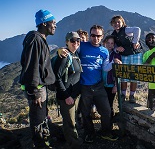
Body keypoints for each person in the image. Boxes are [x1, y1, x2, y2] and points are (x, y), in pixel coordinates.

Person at [59, 25, 118, 143]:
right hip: (84, 86)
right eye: (93, 35)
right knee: (85, 113)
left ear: (102, 37)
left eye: (98, 36)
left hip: (98, 85)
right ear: (90, 35)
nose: (95, 38)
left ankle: (105, 132)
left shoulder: (104, 51)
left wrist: (114, 63)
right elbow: (71, 50)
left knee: (106, 111)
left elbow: (105, 68)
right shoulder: (83, 46)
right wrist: (60, 50)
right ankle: (89, 133)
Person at [19, 9, 56, 148]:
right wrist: (34, 91)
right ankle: (40, 144)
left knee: (41, 118)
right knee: (38, 121)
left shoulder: (39, 38)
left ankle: (42, 142)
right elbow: (32, 66)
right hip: (37, 90)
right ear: (45, 23)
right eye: (53, 22)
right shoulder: (36, 39)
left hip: (40, 88)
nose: (55, 25)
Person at [52, 31, 83, 148]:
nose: (75, 43)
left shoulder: (75, 55)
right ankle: (74, 144)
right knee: (70, 122)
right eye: (72, 41)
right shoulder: (64, 57)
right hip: (66, 96)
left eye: (78, 40)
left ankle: (72, 140)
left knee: (70, 120)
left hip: (73, 95)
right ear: (67, 42)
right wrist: (66, 96)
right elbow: (56, 77)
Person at [110, 15, 143, 103]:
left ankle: (132, 95)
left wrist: (135, 41)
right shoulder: (113, 34)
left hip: (135, 54)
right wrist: (116, 49)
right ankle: (123, 94)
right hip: (124, 55)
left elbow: (137, 29)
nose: (116, 24)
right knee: (123, 75)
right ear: (112, 24)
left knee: (134, 76)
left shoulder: (126, 30)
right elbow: (113, 45)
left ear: (122, 23)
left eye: (118, 22)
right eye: (114, 22)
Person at [102, 35, 122, 120]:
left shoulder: (116, 55)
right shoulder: (101, 53)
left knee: (109, 104)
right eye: (108, 43)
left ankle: (109, 124)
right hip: (101, 84)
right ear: (104, 43)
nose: (110, 45)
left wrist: (115, 85)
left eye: (112, 43)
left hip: (111, 84)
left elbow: (119, 71)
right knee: (102, 105)